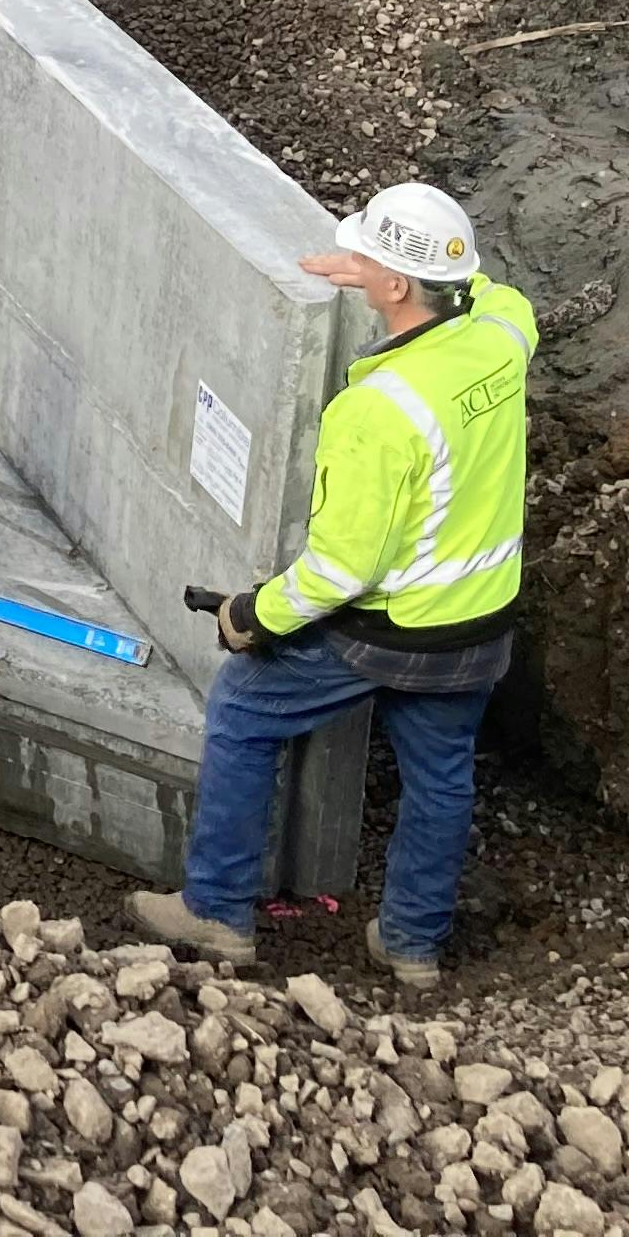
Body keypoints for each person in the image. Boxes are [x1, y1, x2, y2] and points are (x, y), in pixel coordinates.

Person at [130, 183, 537, 990]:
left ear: (392, 287)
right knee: (442, 775)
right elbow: (496, 293)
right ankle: (413, 944)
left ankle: (218, 910)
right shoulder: (501, 338)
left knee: (245, 710)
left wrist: (253, 615)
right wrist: (391, 271)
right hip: (481, 627)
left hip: (394, 631)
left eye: (373, 260)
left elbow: (342, 570)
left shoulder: (379, 409)